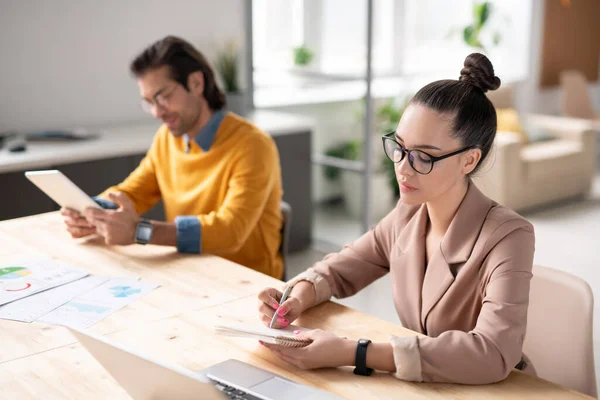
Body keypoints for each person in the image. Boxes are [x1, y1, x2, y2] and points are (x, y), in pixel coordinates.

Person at [256, 53, 536, 384]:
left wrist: (354, 352)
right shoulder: (410, 213)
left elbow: (490, 354)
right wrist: (298, 295)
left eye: (423, 157)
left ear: (469, 160)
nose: (402, 166)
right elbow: (341, 268)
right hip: (427, 385)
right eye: (399, 147)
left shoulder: (509, 236)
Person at [61, 36, 284, 279]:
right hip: (189, 270)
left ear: (196, 83)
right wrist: (92, 211)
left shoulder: (252, 144)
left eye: (163, 97)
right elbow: (134, 192)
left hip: (249, 284)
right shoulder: (167, 139)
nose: (157, 112)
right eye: (149, 103)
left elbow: (231, 230)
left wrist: (140, 231)